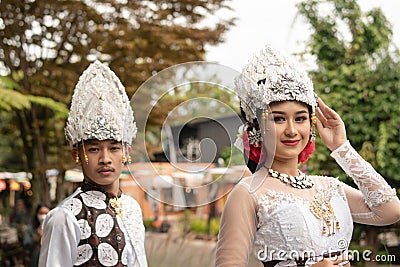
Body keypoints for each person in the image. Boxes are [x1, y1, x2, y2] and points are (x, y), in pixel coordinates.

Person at [215, 44, 400, 267]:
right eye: (279, 119)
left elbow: (390, 212)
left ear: (311, 125)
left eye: (300, 118)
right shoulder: (248, 193)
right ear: (257, 128)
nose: (292, 130)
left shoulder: (330, 187)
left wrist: (341, 148)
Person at [39, 61, 148, 267]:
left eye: (114, 148)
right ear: (76, 155)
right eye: (94, 149)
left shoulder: (132, 208)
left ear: (126, 152)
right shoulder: (65, 217)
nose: (105, 158)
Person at [23, 202, 51, 267]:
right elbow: (26, 244)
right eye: (41, 213)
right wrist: (37, 236)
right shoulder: (31, 228)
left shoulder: (54, 228)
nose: (43, 216)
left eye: (46, 213)